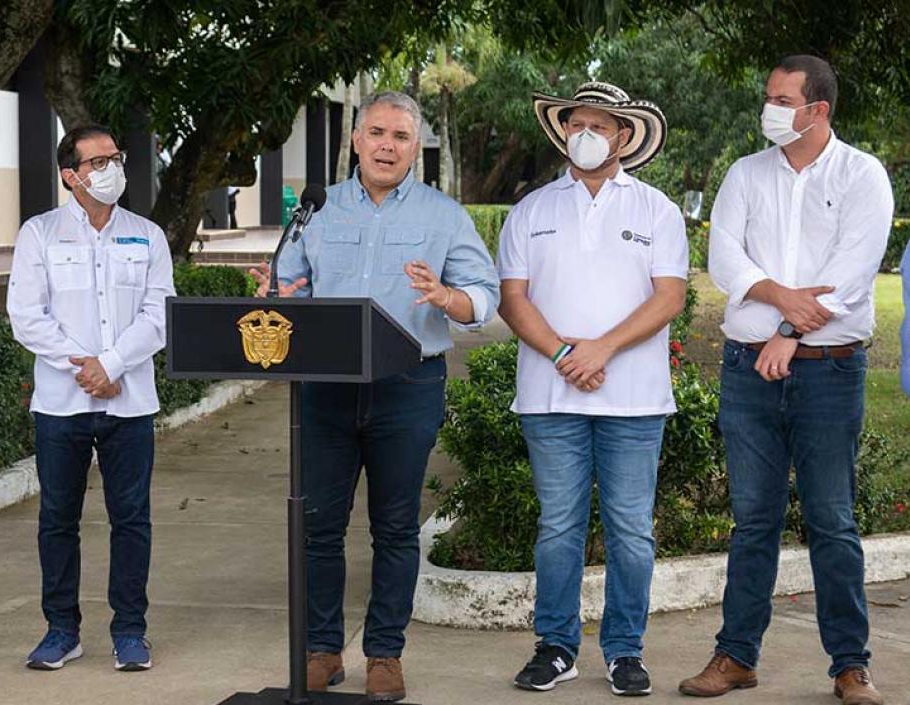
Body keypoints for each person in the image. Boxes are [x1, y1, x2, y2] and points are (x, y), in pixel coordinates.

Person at [249, 91, 499, 702]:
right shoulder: (318, 210)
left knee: (394, 528)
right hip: (325, 389)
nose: (388, 146)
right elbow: (294, 288)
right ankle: (322, 651)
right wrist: (281, 296)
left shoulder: (444, 215)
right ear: (357, 140)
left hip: (408, 385)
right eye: (378, 133)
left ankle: (385, 653)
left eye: (401, 136)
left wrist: (446, 298)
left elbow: (484, 295)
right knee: (318, 527)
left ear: (416, 148)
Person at [679, 55, 891, 705]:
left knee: (832, 520)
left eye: (781, 100)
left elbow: (851, 275)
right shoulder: (745, 174)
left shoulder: (863, 175)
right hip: (748, 372)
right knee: (752, 521)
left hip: (829, 371)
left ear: (817, 110)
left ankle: (850, 666)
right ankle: (736, 656)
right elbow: (725, 259)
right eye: (768, 96)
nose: (767, 108)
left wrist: (789, 333)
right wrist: (780, 298)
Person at [496, 82, 687, 697]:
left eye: (599, 126)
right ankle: (555, 647)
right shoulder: (531, 211)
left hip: (634, 400)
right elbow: (513, 299)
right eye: (576, 124)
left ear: (623, 136)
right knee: (558, 527)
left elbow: (669, 297)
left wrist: (600, 349)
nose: (585, 135)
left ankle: (625, 650)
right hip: (550, 397)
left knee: (631, 530)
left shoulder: (657, 210)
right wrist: (563, 354)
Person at [8, 125, 174, 673]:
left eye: (115, 158)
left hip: (130, 402)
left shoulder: (147, 235)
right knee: (58, 519)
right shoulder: (40, 233)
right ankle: (61, 630)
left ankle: (130, 630)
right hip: (63, 403)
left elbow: (160, 312)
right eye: (98, 162)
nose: (112, 169)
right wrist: (86, 368)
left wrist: (114, 364)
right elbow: (26, 315)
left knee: (132, 520)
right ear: (70, 176)